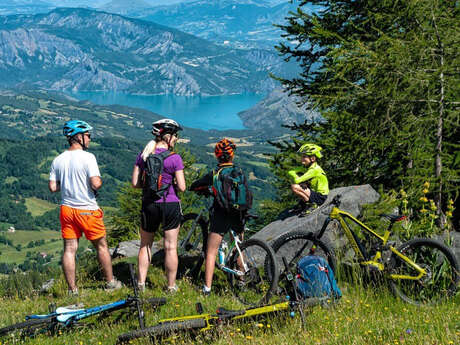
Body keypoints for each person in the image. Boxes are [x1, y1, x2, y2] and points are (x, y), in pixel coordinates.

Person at [49, 120, 122, 296]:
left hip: (67, 209)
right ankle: (110, 283)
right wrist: (98, 182)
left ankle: (72, 290)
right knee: (102, 246)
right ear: (78, 137)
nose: (89, 139)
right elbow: (96, 184)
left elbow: (53, 187)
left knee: (69, 249)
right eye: (88, 135)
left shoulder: (58, 159)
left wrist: (67, 183)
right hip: (87, 210)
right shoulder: (89, 158)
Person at [189, 138, 250, 296]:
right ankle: (242, 281)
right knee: (239, 246)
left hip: (221, 214)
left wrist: (204, 190)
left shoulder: (215, 174)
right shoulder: (239, 172)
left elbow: (194, 185)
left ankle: (207, 289)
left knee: (211, 252)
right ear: (232, 156)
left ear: (217, 156)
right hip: (239, 213)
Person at [131, 119, 185, 293]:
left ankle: (141, 284)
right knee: (170, 247)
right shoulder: (174, 158)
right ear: (167, 137)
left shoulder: (144, 155)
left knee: (145, 245)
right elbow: (182, 187)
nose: (176, 139)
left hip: (149, 204)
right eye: (175, 135)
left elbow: (135, 183)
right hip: (170, 205)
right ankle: (170, 287)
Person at [287, 143, 329, 215]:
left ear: (312, 158)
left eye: (304, 157)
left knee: (295, 187)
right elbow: (290, 171)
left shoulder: (314, 170)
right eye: (302, 157)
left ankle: (311, 205)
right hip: (315, 193)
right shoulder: (309, 168)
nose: (301, 159)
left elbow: (297, 180)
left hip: (320, 197)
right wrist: (295, 175)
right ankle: (305, 204)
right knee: (302, 184)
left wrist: (295, 175)